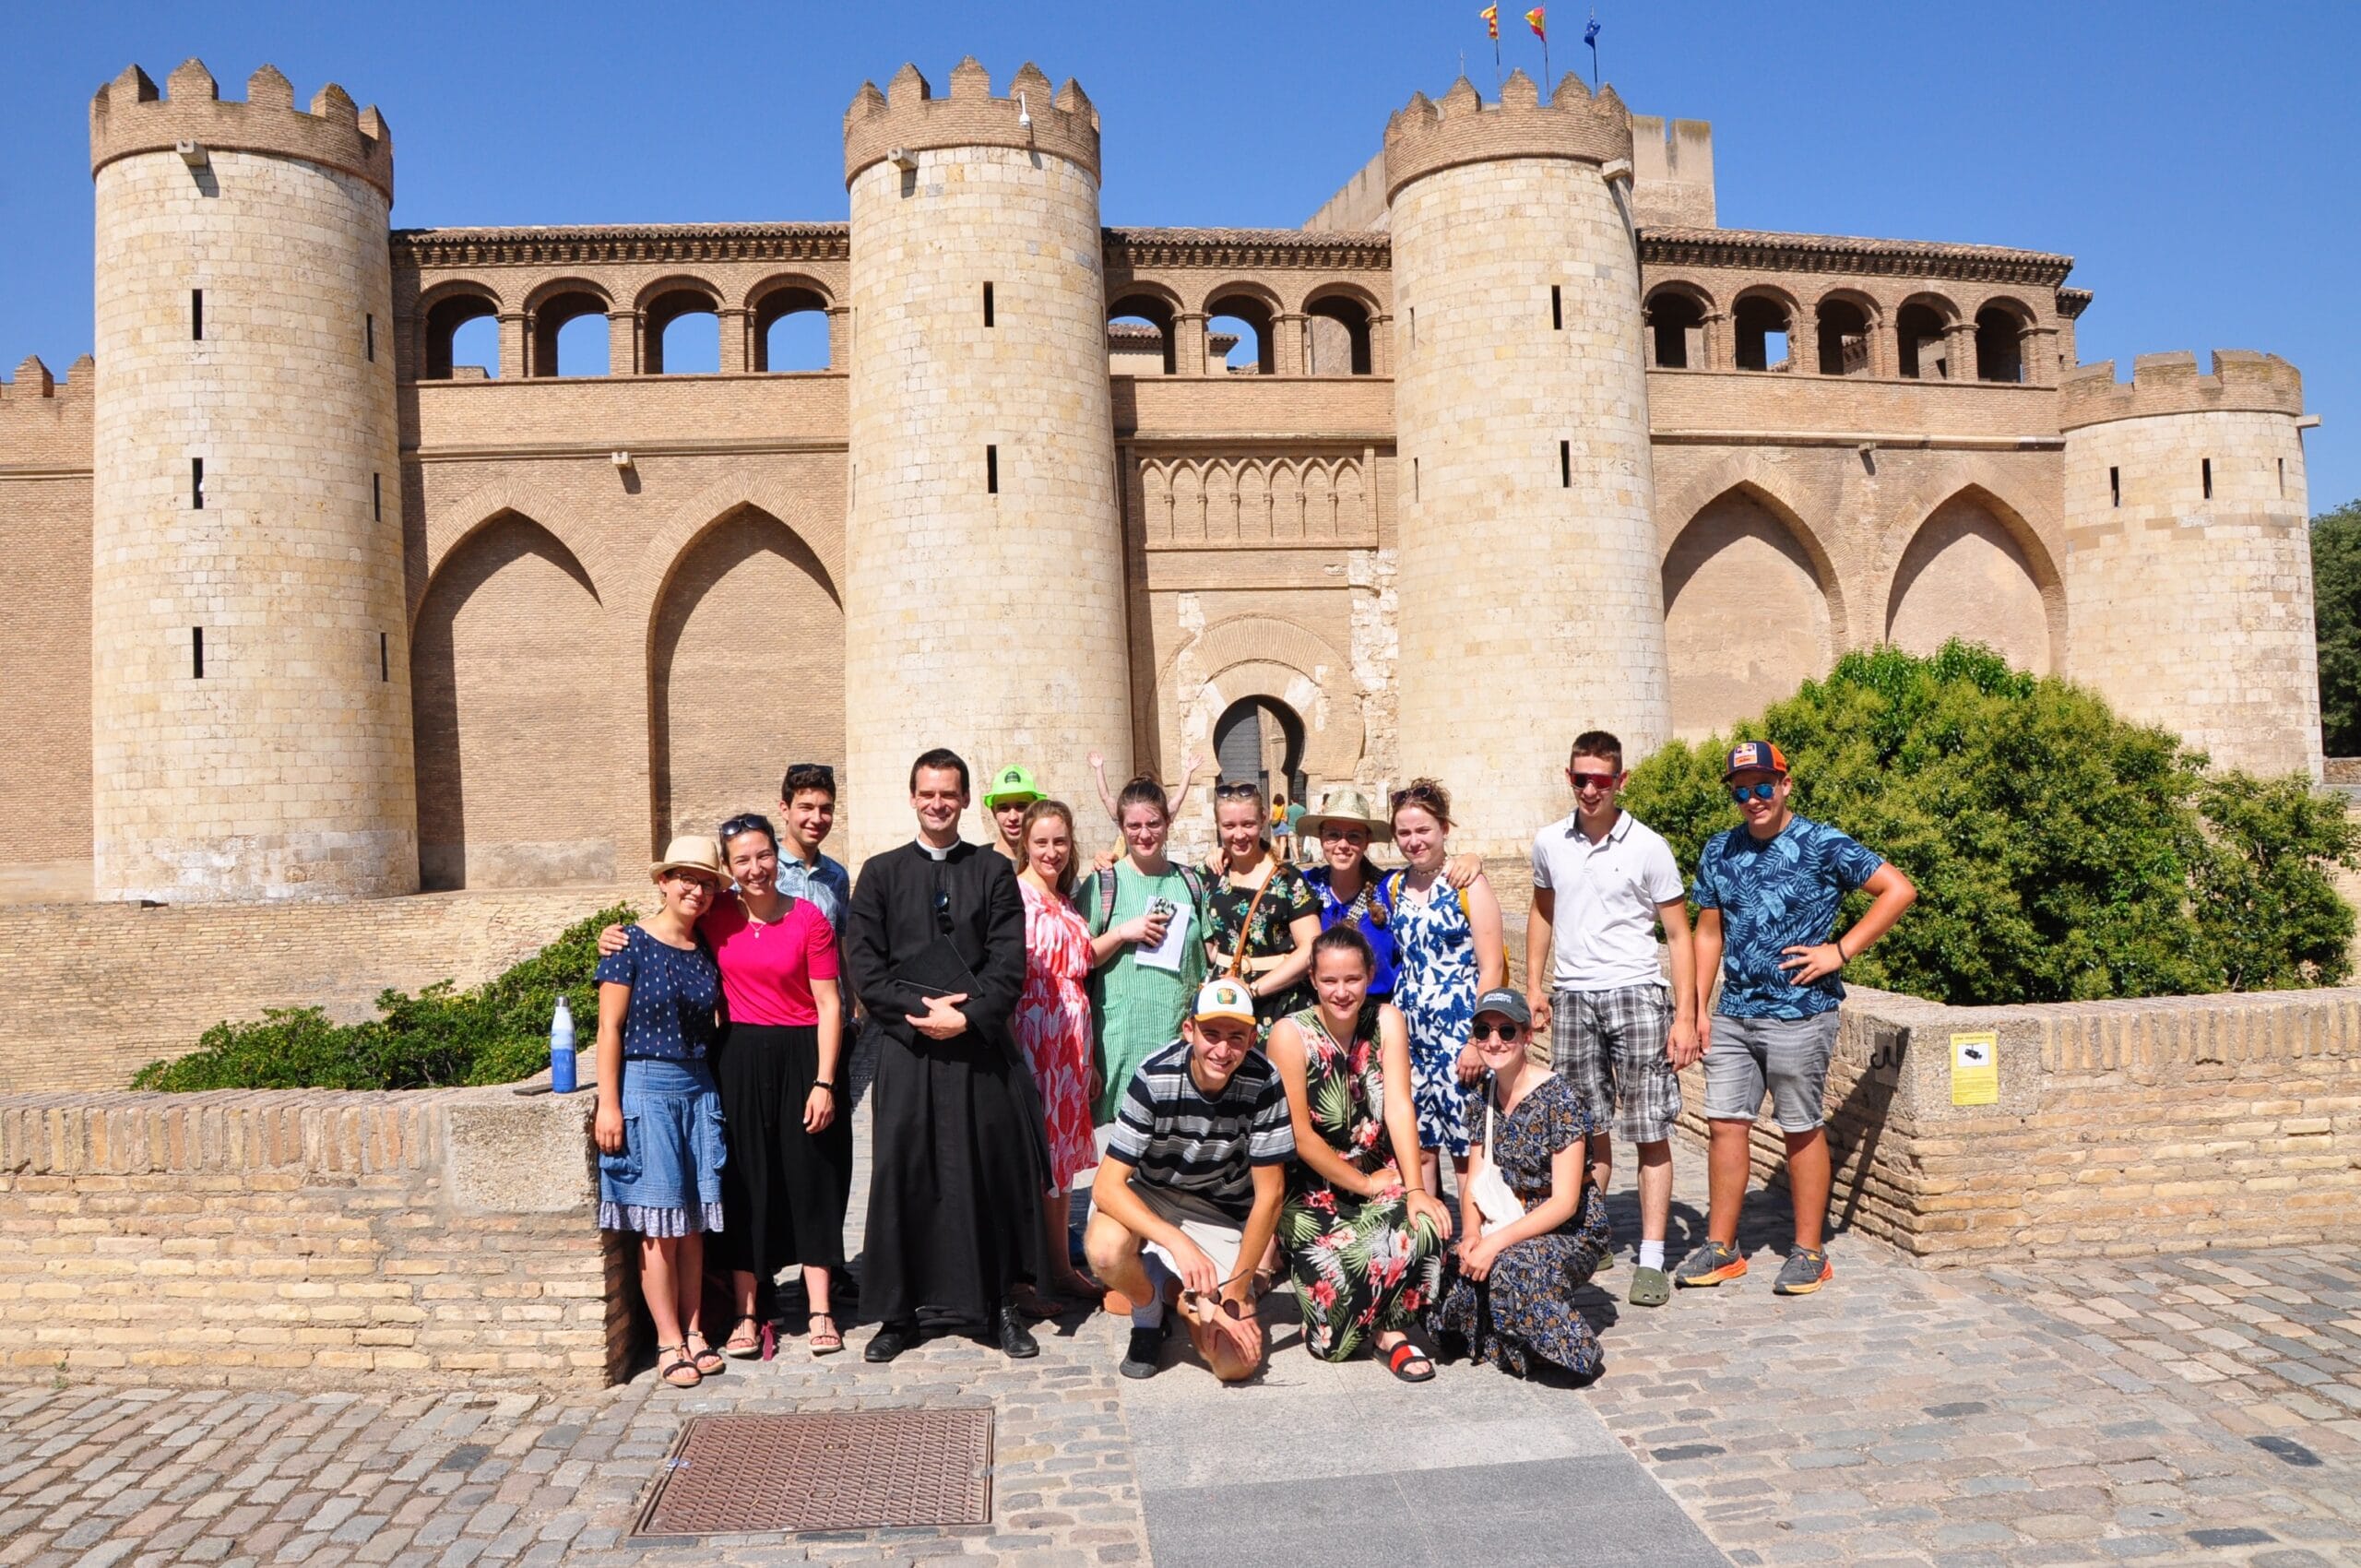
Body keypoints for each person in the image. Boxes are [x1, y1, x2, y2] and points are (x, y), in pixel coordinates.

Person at [597, 815, 853, 1358]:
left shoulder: (808, 918)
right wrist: (612, 935)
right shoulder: (716, 917)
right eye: (742, 861)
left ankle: (820, 1310)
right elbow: (657, 936)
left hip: (802, 1052)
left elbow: (831, 1002)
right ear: (730, 872)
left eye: (763, 856)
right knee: (742, 1185)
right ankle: (746, 1312)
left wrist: (824, 1080)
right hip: (735, 1058)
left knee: (812, 1177)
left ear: (774, 857)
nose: (756, 868)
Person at [1675, 741, 1917, 1298]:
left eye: (1763, 786)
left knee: (1800, 1127)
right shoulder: (1719, 850)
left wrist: (1841, 950)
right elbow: (1707, 933)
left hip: (1801, 1013)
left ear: (1785, 785)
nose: (1753, 799)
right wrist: (1696, 1009)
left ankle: (1810, 1253)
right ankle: (1722, 1248)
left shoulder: (1821, 842)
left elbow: (1897, 889)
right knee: (1724, 1123)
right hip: (1736, 1012)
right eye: (1741, 790)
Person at [846, 748, 1050, 1361]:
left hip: (977, 1048)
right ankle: (899, 1313)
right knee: (903, 1173)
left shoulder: (992, 873)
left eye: (949, 794)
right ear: (913, 798)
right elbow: (865, 966)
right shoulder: (880, 874)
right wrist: (921, 1017)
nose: (938, 804)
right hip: (907, 1052)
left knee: (984, 1174)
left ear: (964, 801)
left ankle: (1001, 1306)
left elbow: (1010, 961)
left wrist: (965, 1017)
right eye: (928, 793)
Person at [1526, 731, 1701, 1309]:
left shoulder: (1650, 846)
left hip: (1637, 994)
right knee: (1581, 1126)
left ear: (1621, 781)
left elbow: (1679, 934)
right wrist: (1534, 985)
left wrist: (1687, 1014)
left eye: (1602, 779)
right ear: (1568, 777)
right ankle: (1592, 1229)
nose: (1591, 789)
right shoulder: (1550, 842)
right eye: (1581, 778)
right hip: (1574, 997)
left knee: (1649, 1128)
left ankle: (1650, 1258)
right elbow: (1542, 914)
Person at [1086, 977, 1294, 1384]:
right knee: (1106, 1251)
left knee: (1236, 1363)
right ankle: (1146, 1308)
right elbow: (1106, 1185)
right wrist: (1176, 1243)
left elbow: (1271, 1196)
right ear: (1189, 1030)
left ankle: (1172, 1293)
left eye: (1236, 1037)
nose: (1222, 1049)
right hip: (1148, 1193)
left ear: (1253, 1037)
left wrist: (1234, 1294)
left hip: (1217, 1209)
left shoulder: (1265, 1080)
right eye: (1210, 1033)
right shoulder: (1154, 1076)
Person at [1266, 925, 1452, 1379]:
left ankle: (1391, 1332)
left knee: (1425, 1224)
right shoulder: (1290, 1035)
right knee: (1333, 1344)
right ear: (1312, 978)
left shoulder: (1387, 1021)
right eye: (1330, 980)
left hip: (1378, 1174)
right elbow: (1300, 1134)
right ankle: (1373, 1322)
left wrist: (1413, 1188)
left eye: (1352, 979)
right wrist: (1362, 1184)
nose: (1342, 991)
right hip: (1313, 1193)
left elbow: (1399, 1105)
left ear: (1369, 974)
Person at [593, 836, 731, 1389]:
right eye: (684, 877)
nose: (695, 889)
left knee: (693, 1223)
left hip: (700, 1088)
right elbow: (608, 1029)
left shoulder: (705, 952)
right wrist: (609, 1103)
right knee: (657, 1224)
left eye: (705, 881)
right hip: (646, 1087)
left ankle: (696, 1332)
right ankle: (668, 1340)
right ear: (663, 881)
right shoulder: (628, 944)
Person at [1428, 989, 1610, 1383]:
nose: (1495, 1041)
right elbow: (1476, 1181)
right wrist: (1473, 1234)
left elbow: (1565, 1201)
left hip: (1566, 1228)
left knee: (1513, 1264)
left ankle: (1570, 1350)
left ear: (1527, 1036)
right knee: (1452, 1266)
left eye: (1507, 1031)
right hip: (1503, 1217)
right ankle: (1505, 1334)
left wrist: (1494, 1244)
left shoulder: (1561, 1097)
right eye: (1484, 1031)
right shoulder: (1481, 1097)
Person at [1382, 778, 1506, 1199]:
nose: (1414, 841)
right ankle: (1431, 1247)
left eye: (1423, 830)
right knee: (1419, 1150)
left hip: (1457, 1035)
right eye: (1404, 832)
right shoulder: (1397, 887)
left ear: (1444, 829)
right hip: (1411, 1036)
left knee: (1467, 1148)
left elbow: (1491, 967)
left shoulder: (1468, 884)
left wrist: (1478, 1038)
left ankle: (1474, 1242)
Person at [1011, 797, 1106, 1306]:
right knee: (1036, 1158)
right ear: (1025, 842)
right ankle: (1034, 1273)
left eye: (1060, 842)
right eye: (1042, 841)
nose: (1051, 851)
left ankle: (1061, 1265)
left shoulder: (1067, 900)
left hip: (1071, 1037)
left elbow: (1082, 968)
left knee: (1063, 1162)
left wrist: (1087, 1060)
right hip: (1033, 1032)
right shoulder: (1014, 896)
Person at [1076, 775, 1211, 1125]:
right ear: (1121, 828)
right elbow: (1080, 958)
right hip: (1122, 1039)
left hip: (1177, 1036)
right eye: (1133, 825)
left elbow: (1210, 955)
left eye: (1153, 823)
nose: (1144, 834)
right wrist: (1123, 932)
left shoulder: (1191, 882)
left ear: (1168, 823)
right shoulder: (1103, 883)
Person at [1201, 780, 1323, 1033]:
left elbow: (1310, 945)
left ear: (1264, 819)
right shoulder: (1210, 874)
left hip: (1278, 1005)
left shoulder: (1287, 878)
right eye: (1229, 826)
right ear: (1217, 825)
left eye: (1248, 824)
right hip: (1224, 1007)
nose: (1239, 834)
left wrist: (1254, 989)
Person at [1295, 789, 1402, 1004]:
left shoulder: (1391, 887)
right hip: (1321, 1015)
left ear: (1367, 841)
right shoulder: (1304, 886)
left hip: (1379, 1015)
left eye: (1353, 836)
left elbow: (1430, 875)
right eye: (1333, 835)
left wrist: (1469, 861)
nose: (1343, 845)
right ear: (1321, 838)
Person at [775, 764, 852, 930]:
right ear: (785, 810)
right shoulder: (759, 869)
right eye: (806, 808)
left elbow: (838, 941)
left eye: (825, 809)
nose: (817, 819)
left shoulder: (837, 875)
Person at [1090, 748, 1201, 826]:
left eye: (1152, 824)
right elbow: (1178, 798)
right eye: (1135, 825)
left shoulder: (1162, 812)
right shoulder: (1126, 812)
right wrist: (1188, 772)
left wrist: (1099, 769)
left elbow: (1106, 797)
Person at [983, 763, 1044, 868]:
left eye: (1021, 806)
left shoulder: (1051, 863)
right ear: (993, 812)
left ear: (1035, 809)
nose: (1013, 817)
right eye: (1003, 807)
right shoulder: (977, 865)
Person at [1270, 791, 1293, 861]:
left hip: (1276, 825)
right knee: (1283, 843)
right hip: (1283, 824)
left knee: (1277, 843)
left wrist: (1271, 822)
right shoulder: (1283, 806)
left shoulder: (1273, 807)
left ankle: (1277, 857)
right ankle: (1281, 858)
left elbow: (1270, 818)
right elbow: (1285, 818)